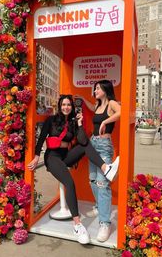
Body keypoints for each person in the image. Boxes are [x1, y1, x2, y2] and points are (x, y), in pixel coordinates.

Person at [27, 95, 119, 245]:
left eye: (69, 105)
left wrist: (80, 124)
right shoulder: (51, 120)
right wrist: (36, 157)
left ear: (72, 107)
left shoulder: (73, 122)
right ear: (59, 106)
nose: (66, 107)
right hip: (52, 157)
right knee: (70, 183)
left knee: (85, 144)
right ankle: (77, 225)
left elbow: (82, 141)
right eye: (63, 105)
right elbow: (41, 138)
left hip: (66, 156)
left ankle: (105, 169)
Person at [78, 80, 121, 242]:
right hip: (93, 144)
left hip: (104, 146)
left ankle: (105, 223)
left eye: (97, 88)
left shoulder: (111, 103)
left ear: (105, 89)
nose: (95, 91)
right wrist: (81, 99)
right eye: (94, 88)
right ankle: (98, 207)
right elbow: (90, 106)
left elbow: (121, 112)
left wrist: (105, 121)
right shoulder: (97, 106)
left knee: (103, 185)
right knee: (93, 180)